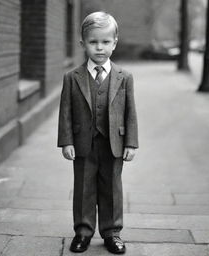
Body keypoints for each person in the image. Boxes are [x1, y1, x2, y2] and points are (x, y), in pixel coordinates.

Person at [58, 11, 138, 254]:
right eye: (93, 42)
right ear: (83, 44)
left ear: (115, 43)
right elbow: (66, 113)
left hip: (114, 143)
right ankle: (82, 232)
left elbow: (130, 112)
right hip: (83, 143)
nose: (99, 48)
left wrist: (131, 143)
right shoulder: (72, 78)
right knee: (83, 188)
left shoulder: (125, 77)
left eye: (105, 42)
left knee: (111, 188)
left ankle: (112, 233)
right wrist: (66, 142)